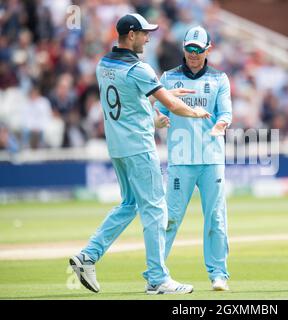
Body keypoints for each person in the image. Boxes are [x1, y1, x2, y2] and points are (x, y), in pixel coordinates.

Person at [69, 13, 211, 295]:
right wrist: (195, 111)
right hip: (139, 148)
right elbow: (170, 103)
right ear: (131, 35)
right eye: (145, 33)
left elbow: (127, 100)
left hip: (118, 146)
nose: (148, 37)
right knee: (157, 210)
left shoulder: (103, 64)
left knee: (129, 204)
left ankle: (87, 257)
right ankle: (158, 278)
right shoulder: (140, 69)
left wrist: (152, 117)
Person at [154, 26, 232, 291]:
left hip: (211, 159)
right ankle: (156, 274)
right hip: (180, 160)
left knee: (216, 218)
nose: (194, 55)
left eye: (199, 50)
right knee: (170, 218)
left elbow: (226, 114)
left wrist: (220, 125)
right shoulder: (168, 77)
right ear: (184, 49)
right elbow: (157, 111)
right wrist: (160, 119)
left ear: (208, 50)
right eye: (189, 49)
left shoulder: (220, 78)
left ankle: (218, 274)